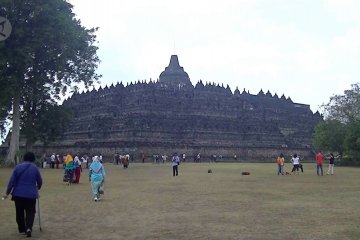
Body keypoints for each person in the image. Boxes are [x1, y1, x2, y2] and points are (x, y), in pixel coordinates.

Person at [3, 152, 42, 238]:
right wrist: (37, 188)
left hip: (18, 194)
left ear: (24, 158)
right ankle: (28, 228)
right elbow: (39, 181)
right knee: (30, 212)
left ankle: (21, 229)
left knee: (19, 212)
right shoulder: (35, 168)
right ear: (33, 159)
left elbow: (11, 181)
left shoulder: (18, 167)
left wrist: (7, 192)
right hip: (31, 194)